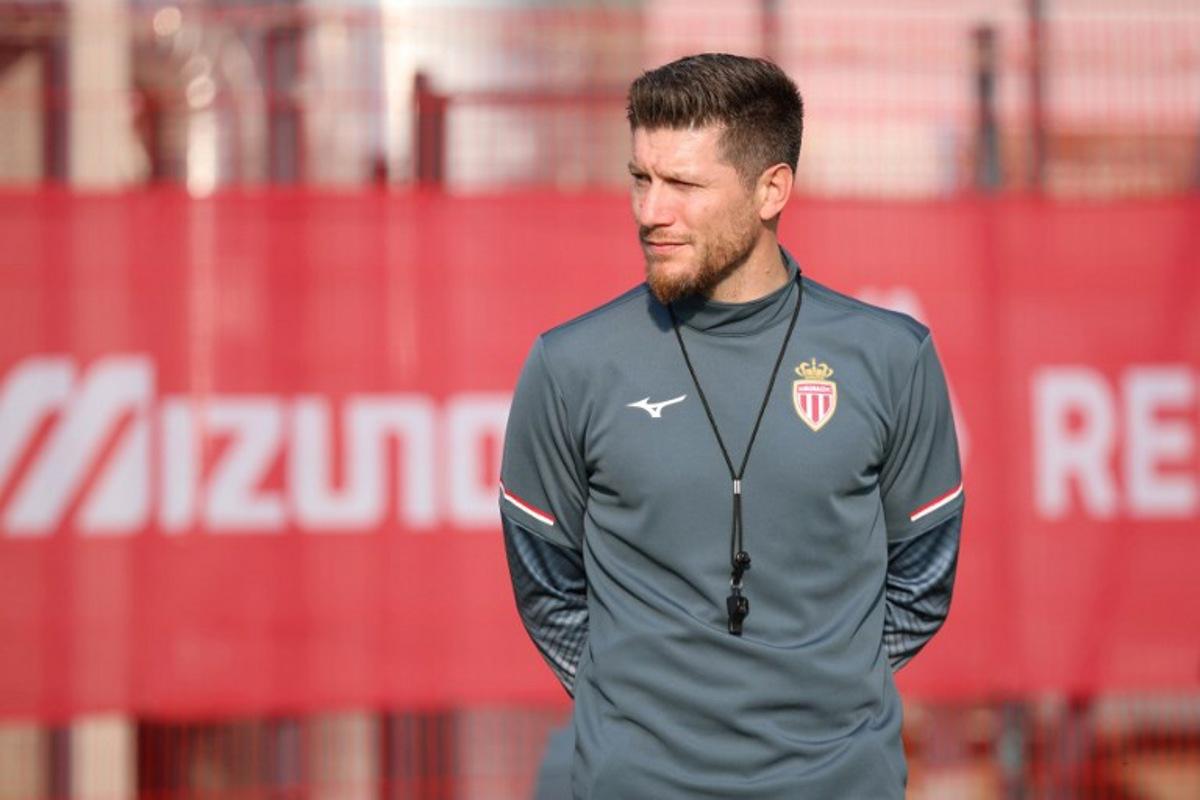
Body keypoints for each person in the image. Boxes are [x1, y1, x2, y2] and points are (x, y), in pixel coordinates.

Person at [499, 53, 964, 799]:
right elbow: (546, 586)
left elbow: (923, 576)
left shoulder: (891, 358)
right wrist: (646, 721)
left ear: (770, 190)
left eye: (683, 184)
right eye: (640, 178)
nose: (652, 211)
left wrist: (828, 694)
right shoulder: (571, 365)